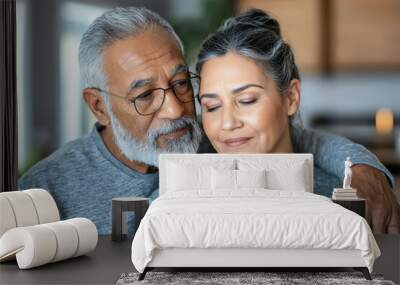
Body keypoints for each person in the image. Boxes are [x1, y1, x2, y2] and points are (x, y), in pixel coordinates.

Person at [18, 7, 396, 234]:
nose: (176, 110)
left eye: (182, 83)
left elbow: (289, 136)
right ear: (98, 106)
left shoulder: (207, 138)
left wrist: (361, 164)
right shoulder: (47, 189)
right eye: (145, 95)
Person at [195, 8, 400, 233]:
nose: (227, 123)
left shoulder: (347, 201)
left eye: (247, 100)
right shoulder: (183, 201)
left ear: (291, 98)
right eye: (212, 106)